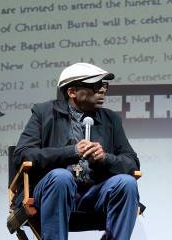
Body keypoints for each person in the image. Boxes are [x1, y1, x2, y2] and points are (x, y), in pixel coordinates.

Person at [14, 62, 140, 240]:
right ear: (72, 92)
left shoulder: (111, 119)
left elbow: (132, 162)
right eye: (96, 86)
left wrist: (105, 158)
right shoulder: (44, 113)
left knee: (127, 183)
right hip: (54, 192)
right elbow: (23, 155)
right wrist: (71, 152)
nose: (103, 90)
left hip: (94, 194)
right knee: (61, 177)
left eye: (104, 85)